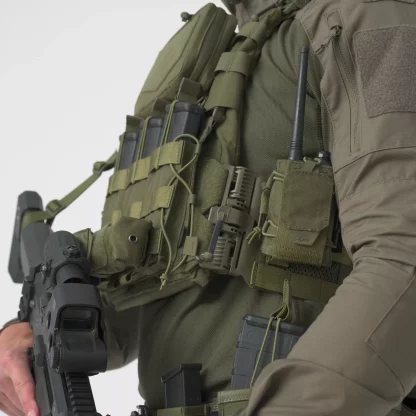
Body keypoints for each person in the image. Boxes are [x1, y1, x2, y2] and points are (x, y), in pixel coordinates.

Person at [2, 0, 416, 415]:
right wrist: (35, 336)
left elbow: (403, 262)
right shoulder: (227, 53)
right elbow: (148, 294)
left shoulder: (363, 17)